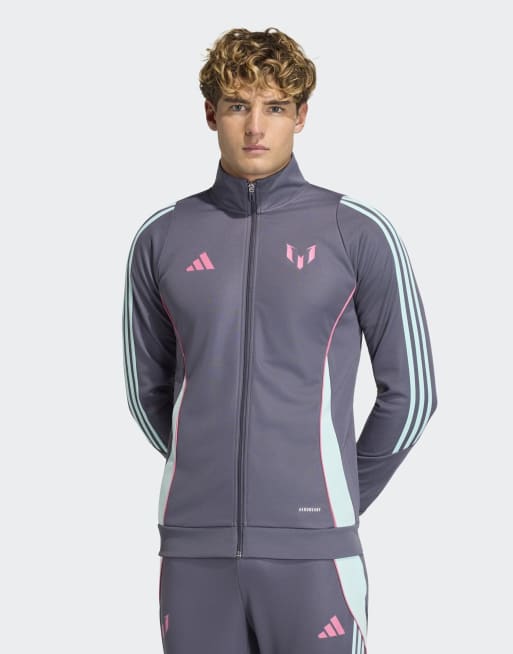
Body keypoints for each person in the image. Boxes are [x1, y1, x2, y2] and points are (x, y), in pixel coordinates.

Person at [122, 26, 438, 654]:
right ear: (210, 113)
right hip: (194, 552)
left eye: (275, 107)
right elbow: (147, 392)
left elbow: (412, 396)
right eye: (238, 106)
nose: (255, 127)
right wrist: (207, 478)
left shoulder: (356, 231)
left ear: (302, 116)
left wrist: (331, 493)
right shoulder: (162, 237)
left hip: (315, 558)